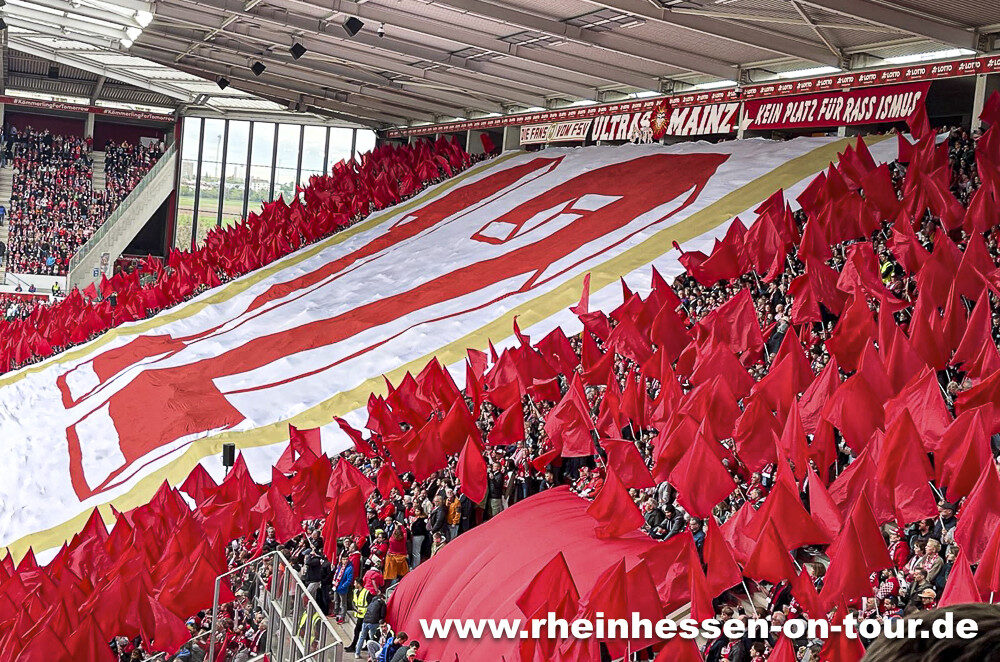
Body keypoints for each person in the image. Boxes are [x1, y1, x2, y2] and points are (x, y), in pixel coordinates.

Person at [356, 587, 386, 658]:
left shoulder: (372, 601)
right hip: (374, 622)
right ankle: (370, 655)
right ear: (382, 598)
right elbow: (383, 615)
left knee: (362, 637)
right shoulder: (382, 603)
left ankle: (357, 653)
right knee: (372, 639)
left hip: (365, 620)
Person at [332, 555, 354, 623]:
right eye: (344, 559)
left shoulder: (350, 568)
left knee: (343, 603)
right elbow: (336, 575)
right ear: (341, 560)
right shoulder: (339, 566)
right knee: (336, 600)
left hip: (342, 588)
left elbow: (349, 579)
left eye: (346, 559)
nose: (345, 561)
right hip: (336, 586)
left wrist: (343, 586)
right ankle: (335, 612)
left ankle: (342, 616)